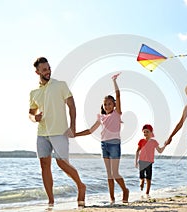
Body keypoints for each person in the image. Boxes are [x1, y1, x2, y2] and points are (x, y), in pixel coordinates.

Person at [28, 57, 86, 207]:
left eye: (49, 68)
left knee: (62, 163)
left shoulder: (60, 85)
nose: (48, 71)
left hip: (60, 131)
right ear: (37, 72)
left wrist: (73, 127)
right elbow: (30, 114)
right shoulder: (34, 93)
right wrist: (35, 117)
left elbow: (72, 106)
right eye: (44, 70)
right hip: (42, 133)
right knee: (44, 165)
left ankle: (80, 185)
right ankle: (51, 201)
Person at [75, 73, 129, 204]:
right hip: (104, 145)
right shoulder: (101, 117)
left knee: (115, 173)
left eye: (110, 104)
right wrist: (75, 134)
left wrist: (114, 81)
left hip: (115, 144)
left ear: (114, 105)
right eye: (105, 104)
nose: (107, 106)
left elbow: (118, 95)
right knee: (109, 174)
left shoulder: (117, 113)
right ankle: (112, 198)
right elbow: (90, 130)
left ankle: (125, 190)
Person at [135, 124, 166, 197]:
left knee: (148, 178)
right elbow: (137, 151)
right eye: (144, 132)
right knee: (142, 177)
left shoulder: (154, 142)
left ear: (151, 132)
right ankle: (142, 182)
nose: (145, 133)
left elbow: (160, 151)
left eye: (147, 132)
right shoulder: (141, 141)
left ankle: (147, 193)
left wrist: (165, 145)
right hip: (141, 161)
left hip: (149, 162)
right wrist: (136, 161)